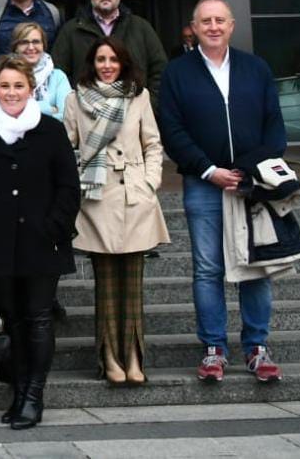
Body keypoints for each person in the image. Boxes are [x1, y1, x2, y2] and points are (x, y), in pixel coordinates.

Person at [159, 0, 287, 383]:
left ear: (231, 26)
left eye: (220, 20)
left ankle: (257, 347)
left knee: (255, 266)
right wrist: (209, 168)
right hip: (203, 184)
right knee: (208, 269)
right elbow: (172, 129)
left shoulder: (256, 68)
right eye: (205, 21)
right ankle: (214, 348)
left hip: (252, 185)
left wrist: (249, 172)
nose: (213, 27)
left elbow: (274, 126)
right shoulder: (177, 72)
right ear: (193, 28)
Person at [0, 56, 80, 431]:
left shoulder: (50, 130)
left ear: (31, 89)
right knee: (12, 319)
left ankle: (34, 395)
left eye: (19, 86)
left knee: (39, 318)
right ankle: (18, 390)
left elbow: (68, 185)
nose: (12, 92)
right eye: (5, 86)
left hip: (41, 241)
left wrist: (54, 226)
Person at [62, 38, 169, 386]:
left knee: (133, 285)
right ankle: (108, 357)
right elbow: (67, 148)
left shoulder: (138, 97)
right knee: (106, 285)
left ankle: (135, 355)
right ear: (92, 63)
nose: (107, 65)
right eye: (100, 59)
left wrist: (149, 181)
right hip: (97, 199)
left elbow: (153, 143)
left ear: (123, 63)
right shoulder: (75, 99)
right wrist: (83, 176)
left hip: (135, 195)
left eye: (113, 59)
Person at [52, 0, 168, 107]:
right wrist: (76, 108)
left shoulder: (141, 28)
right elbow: (58, 75)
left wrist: (148, 107)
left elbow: (160, 72)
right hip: (86, 115)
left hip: (134, 115)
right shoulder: (71, 30)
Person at [12, 21, 71, 121]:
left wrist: (25, 110)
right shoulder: (7, 76)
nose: (31, 47)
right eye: (24, 42)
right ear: (16, 48)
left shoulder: (58, 77)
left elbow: (66, 116)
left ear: (43, 45)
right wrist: (49, 109)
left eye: (36, 42)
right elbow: (9, 113)